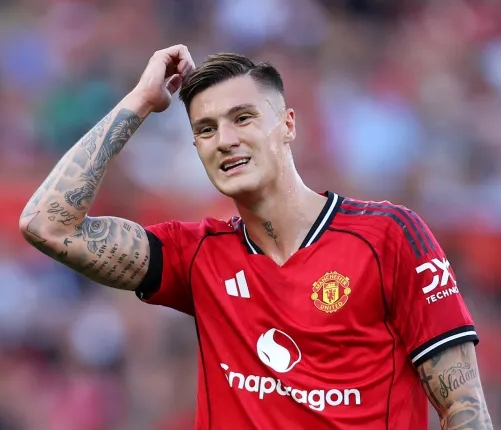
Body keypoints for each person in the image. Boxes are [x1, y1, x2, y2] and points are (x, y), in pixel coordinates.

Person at [19, 45, 493, 429]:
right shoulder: (197, 254)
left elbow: (464, 407)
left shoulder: (389, 236)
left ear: (287, 125)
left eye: (242, 118)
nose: (225, 139)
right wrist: (140, 101)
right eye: (206, 129)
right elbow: (46, 224)